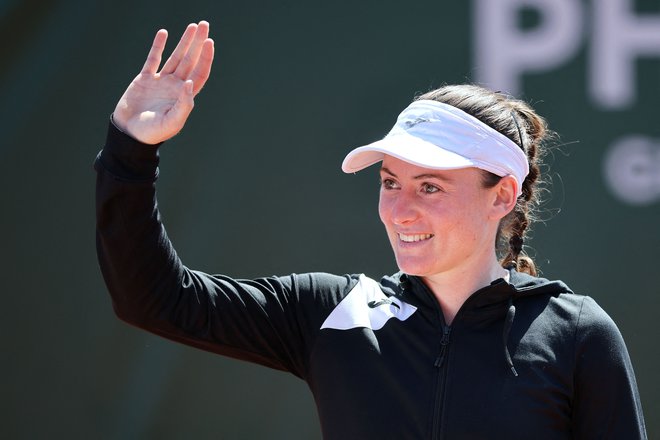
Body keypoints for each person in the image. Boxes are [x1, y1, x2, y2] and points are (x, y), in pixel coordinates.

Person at [95, 21, 647, 439]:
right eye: (389, 182)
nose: (399, 209)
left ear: (501, 195)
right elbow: (153, 299)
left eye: (429, 187)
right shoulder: (332, 311)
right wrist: (131, 148)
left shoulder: (577, 334)